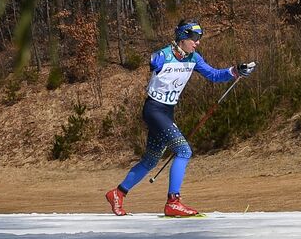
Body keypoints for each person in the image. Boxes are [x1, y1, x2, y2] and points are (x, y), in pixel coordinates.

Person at [105, 19, 256, 217]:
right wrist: (155, 61)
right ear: (183, 37)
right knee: (184, 150)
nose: (198, 42)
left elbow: (214, 75)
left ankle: (117, 193)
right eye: (194, 38)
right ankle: (173, 201)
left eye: (199, 38)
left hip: (167, 112)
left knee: (150, 160)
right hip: (154, 110)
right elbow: (152, 62)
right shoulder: (164, 55)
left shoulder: (194, 58)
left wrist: (236, 71)